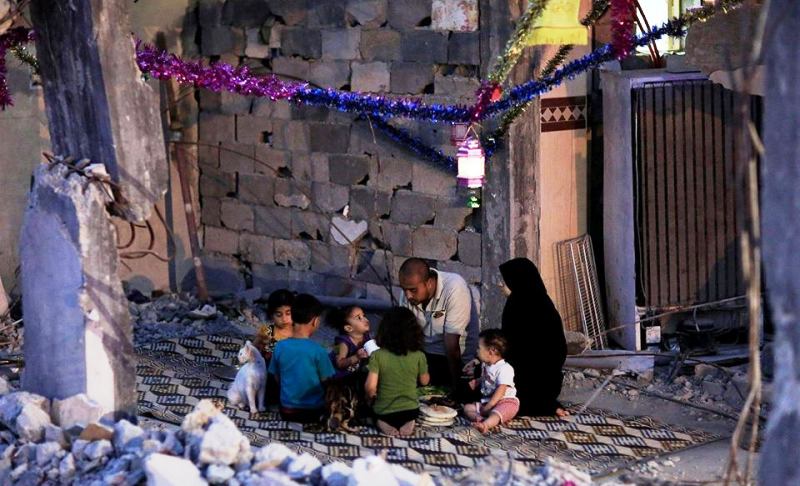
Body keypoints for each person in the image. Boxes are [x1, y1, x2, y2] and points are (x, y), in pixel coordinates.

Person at [500, 257, 568, 417]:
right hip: (548, 383)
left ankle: (537, 404)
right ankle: (546, 404)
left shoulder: (518, 305)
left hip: (527, 380)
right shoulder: (542, 303)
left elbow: (511, 346)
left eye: (506, 280)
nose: (502, 285)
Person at [398, 258, 479, 391]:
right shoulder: (408, 293)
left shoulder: (454, 287)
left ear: (429, 283)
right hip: (425, 356)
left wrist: (457, 387)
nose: (408, 296)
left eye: (413, 290)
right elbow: (407, 335)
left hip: (457, 360)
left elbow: (452, 346)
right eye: (404, 289)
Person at [268, 294, 335, 423]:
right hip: (313, 412)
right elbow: (327, 381)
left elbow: (276, 377)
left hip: (286, 411)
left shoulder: (280, 346)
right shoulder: (319, 351)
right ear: (315, 321)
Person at [365, 307, 430, 437]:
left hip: (384, 411)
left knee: (368, 413)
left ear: (384, 331)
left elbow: (370, 387)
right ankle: (410, 421)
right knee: (412, 410)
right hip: (411, 410)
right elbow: (424, 381)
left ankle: (381, 422)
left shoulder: (377, 355)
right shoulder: (419, 355)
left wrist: (369, 399)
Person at [464, 329, 519, 434]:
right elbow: (486, 378)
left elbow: (501, 390)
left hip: (505, 401)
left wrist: (489, 406)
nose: (476, 351)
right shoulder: (486, 365)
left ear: (491, 351)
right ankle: (479, 419)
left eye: (478, 348)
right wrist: (478, 381)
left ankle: (486, 425)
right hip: (488, 401)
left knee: (497, 413)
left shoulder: (504, 368)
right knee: (467, 408)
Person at [328, 306, 372, 377]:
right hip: (339, 376)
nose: (365, 319)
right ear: (349, 328)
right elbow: (339, 364)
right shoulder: (342, 343)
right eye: (359, 318)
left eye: (363, 315)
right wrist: (356, 357)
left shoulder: (365, 335)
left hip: (355, 372)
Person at [253, 289, 295, 362]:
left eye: (288, 314)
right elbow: (253, 348)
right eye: (279, 315)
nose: (284, 319)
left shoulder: (297, 332)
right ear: (271, 315)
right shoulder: (269, 330)